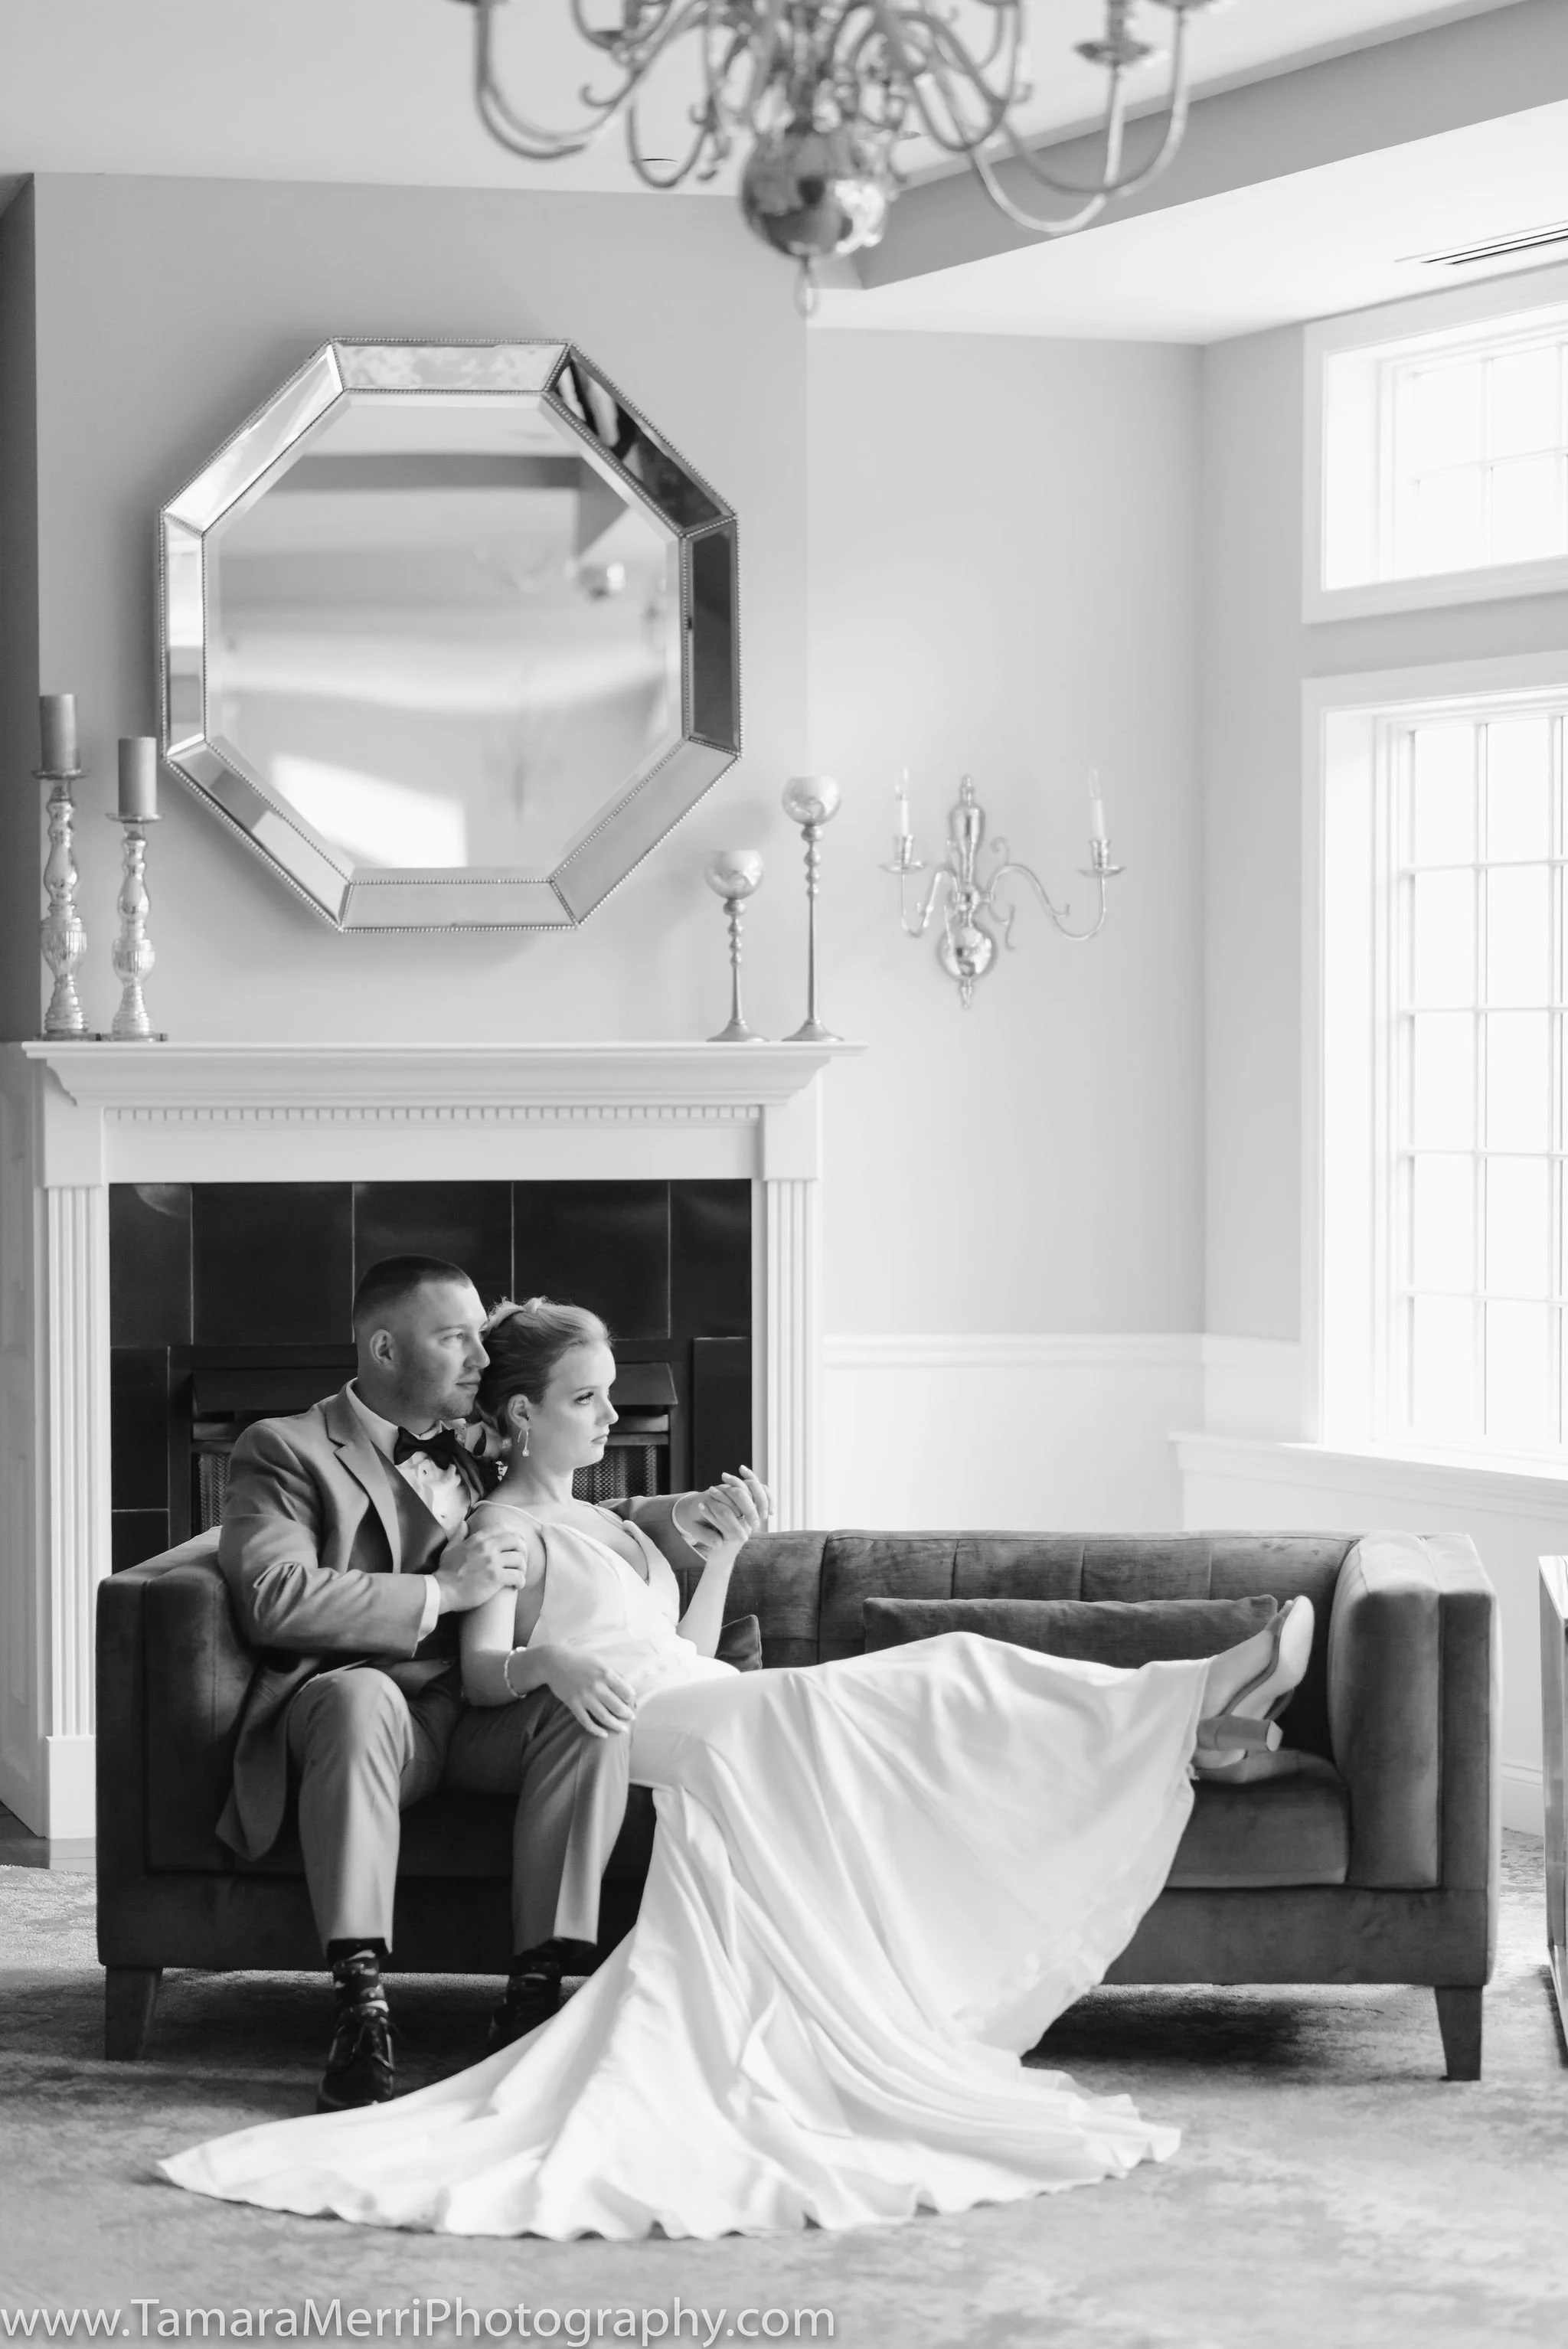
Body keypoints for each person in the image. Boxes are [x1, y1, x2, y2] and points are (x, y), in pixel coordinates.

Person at [166, 1295, 1315, 2240]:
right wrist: (554, 1661)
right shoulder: (495, 1532)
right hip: (644, 1721)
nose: (614, 1412)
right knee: (943, 1674)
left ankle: (1191, 1724)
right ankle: (1192, 1706)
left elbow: (690, 1656)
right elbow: (480, 1671)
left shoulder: (618, 1526)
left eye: (613, 1392)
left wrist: (718, 1559)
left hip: (690, 1702)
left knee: (938, 1688)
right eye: (587, 1398)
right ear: (520, 1417)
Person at [213, 1259, 766, 2117]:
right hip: (363, 1702)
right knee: (360, 1702)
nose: (480, 1354)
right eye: (454, 1337)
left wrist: (684, 1510)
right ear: (385, 1346)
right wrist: (445, 1593)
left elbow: (562, 1500)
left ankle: (534, 1992)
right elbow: (269, 1593)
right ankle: (360, 2004)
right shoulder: (284, 1447)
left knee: (595, 1705)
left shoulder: (471, 1438)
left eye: (480, 1334)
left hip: (475, 1705)